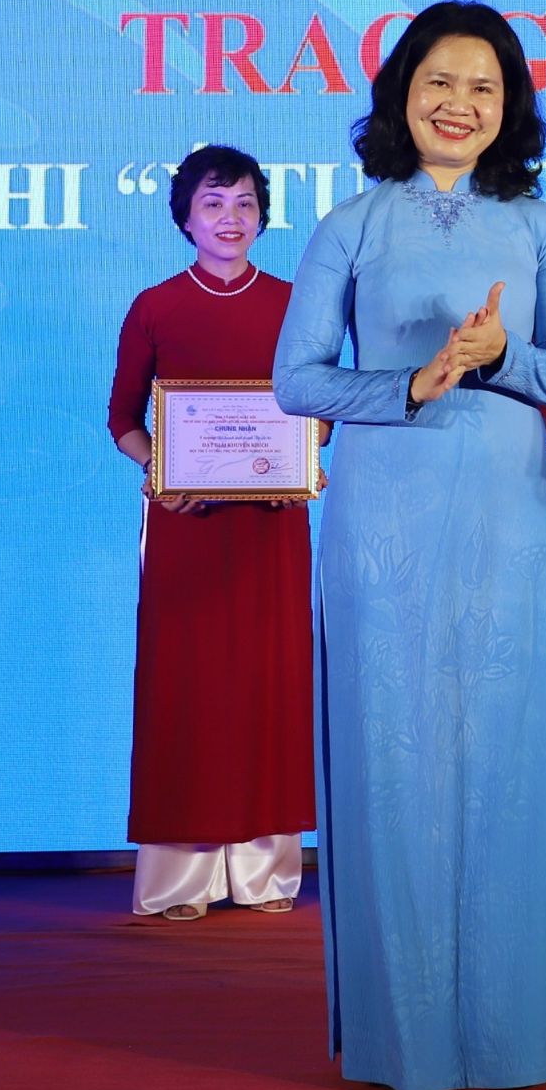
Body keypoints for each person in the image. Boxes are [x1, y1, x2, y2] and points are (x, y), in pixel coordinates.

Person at [273, 0, 546, 1090]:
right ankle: (407, 1035)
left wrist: (501, 352)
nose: (458, 104)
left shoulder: (535, 225)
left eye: (483, 86)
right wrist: (411, 382)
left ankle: (513, 1027)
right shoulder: (350, 224)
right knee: (395, 754)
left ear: (508, 105)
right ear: (399, 93)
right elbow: (296, 379)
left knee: (507, 754)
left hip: (507, 512)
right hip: (381, 515)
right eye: (437, 81)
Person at [106, 145, 316, 921]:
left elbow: (317, 404)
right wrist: (163, 468)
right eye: (214, 203)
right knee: (188, 686)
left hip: (272, 525)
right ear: (185, 217)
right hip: (186, 524)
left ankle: (265, 872)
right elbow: (123, 420)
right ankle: (180, 876)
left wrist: (308, 451)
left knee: (270, 680)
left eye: (245, 203)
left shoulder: (297, 301)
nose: (231, 219)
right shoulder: (156, 304)